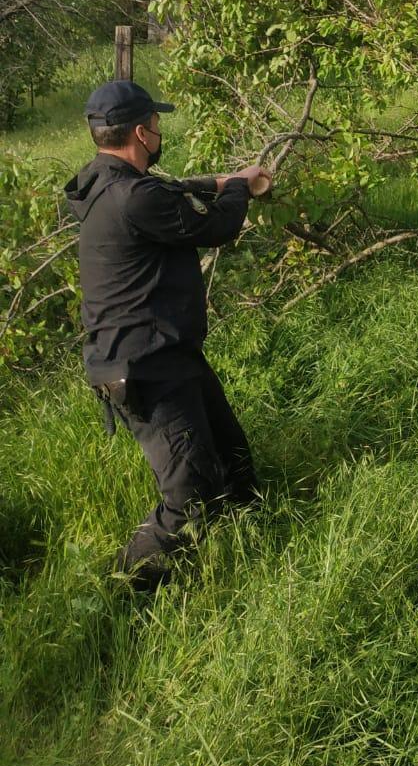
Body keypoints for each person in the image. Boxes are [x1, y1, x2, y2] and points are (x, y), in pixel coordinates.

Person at [64, 79, 269, 591]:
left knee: (230, 455)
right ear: (141, 132)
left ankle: (254, 545)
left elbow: (171, 190)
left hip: (161, 352)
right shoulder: (135, 197)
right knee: (190, 491)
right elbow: (217, 229)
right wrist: (242, 187)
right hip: (144, 367)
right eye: (156, 123)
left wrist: (221, 179)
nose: (160, 130)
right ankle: (125, 585)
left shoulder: (99, 183)